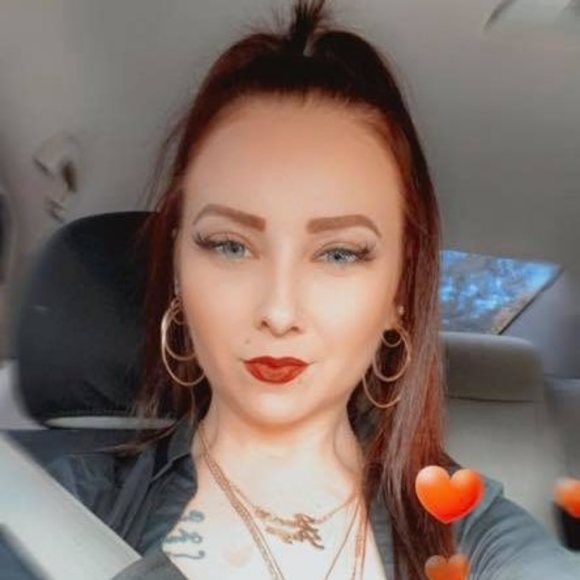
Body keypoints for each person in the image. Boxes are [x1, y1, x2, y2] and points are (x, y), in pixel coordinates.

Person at [42, 1, 579, 579]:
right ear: (178, 270)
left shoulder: (473, 534)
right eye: (230, 245)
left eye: (339, 253)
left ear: (399, 291)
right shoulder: (59, 509)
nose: (278, 311)